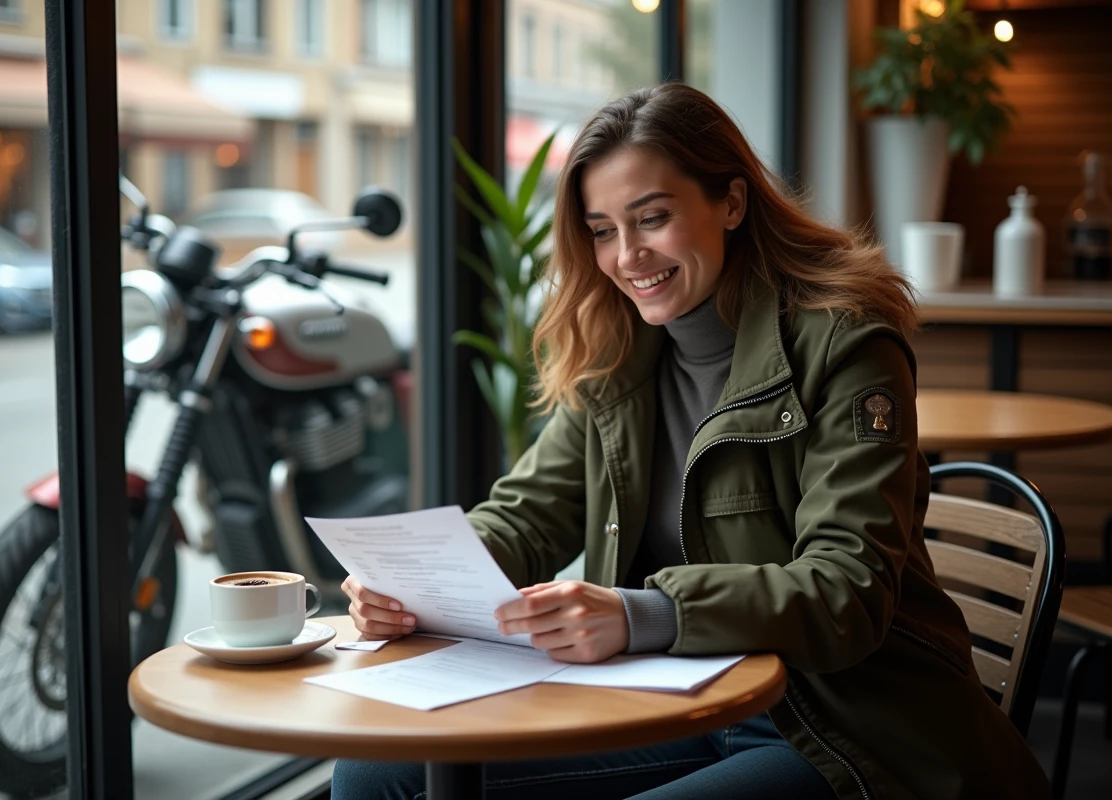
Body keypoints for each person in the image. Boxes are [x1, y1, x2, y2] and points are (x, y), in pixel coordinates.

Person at [331, 83, 1051, 800]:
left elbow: (846, 593)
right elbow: (526, 515)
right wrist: (415, 585)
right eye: (603, 229)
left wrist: (644, 612)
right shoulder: (618, 355)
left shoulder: (844, 343)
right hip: (676, 700)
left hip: (844, 724)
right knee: (375, 771)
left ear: (731, 204)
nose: (627, 255)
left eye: (652, 218)